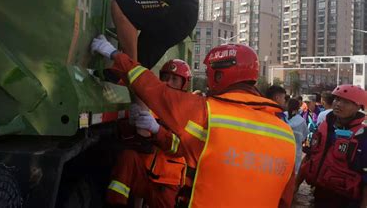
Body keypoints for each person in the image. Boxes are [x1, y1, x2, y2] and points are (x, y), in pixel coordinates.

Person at [91, 37, 296, 207]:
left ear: (219, 74)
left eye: (209, 74)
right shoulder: (285, 134)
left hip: (169, 185)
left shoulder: (207, 112)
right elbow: (285, 200)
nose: (207, 81)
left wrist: (115, 55)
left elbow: (153, 90)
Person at [107, 59, 191, 208]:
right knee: (128, 156)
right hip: (144, 176)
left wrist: (157, 130)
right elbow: (131, 138)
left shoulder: (188, 115)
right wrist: (130, 123)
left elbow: (180, 148)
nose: (168, 82)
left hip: (166, 183)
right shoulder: (151, 104)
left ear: (184, 84)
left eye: (174, 79)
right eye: (165, 77)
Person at [298, 84, 367, 207]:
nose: (338, 104)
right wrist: (295, 185)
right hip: (319, 194)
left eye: (346, 102)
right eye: (337, 99)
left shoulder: (363, 135)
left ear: (358, 107)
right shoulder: (324, 126)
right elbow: (309, 156)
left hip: (346, 201)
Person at [284, 99, 308, 174]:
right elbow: (305, 136)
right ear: (298, 108)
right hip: (295, 152)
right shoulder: (302, 121)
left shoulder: (282, 117)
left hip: (282, 150)